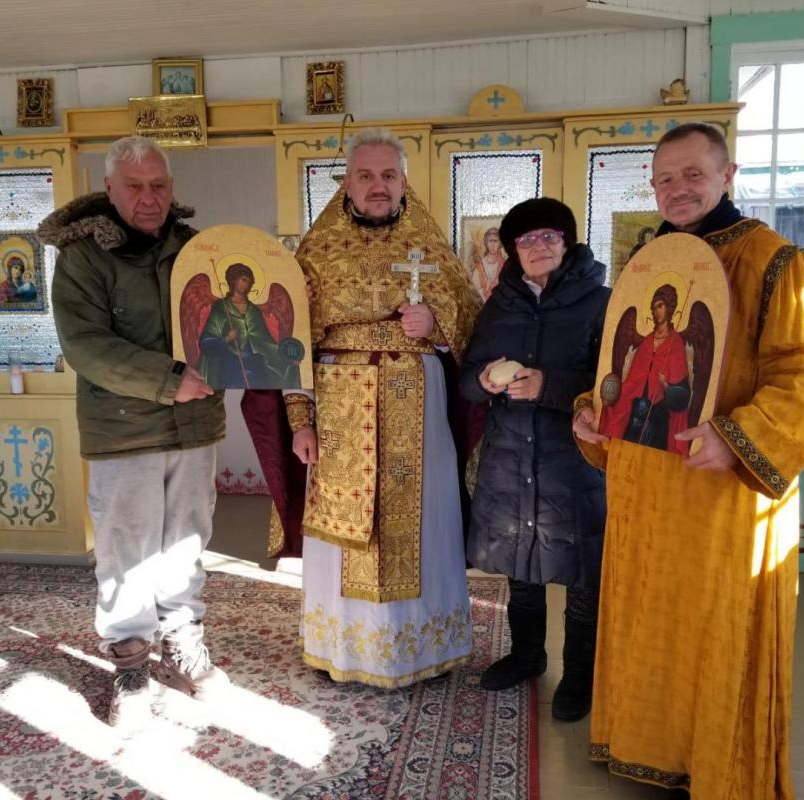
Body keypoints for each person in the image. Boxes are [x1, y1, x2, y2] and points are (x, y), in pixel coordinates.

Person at [573, 123, 804, 798]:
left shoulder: (774, 262)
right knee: (647, 617)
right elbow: (619, 363)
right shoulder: (650, 261)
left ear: (727, 175)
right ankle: (646, 745)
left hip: (720, 491)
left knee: (713, 626)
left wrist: (735, 436)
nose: (677, 188)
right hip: (644, 489)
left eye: (692, 174)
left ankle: (718, 765)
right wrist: (591, 410)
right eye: (664, 177)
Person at [256, 127, 480, 688]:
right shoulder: (315, 252)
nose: (377, 186)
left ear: (404, 181)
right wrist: (299, 423)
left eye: (387, 175)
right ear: (347, 183)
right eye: (365, 176)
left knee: (420, 522)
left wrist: (437, 326)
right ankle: (347, 650)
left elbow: (472, 320)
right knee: (342, 532)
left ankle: (419, 649)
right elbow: (293, 344)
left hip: (417, 406)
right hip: (338, 410)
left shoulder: (432, 247)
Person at [39, 135, 228, 733]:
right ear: (110, 190)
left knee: (187, 541)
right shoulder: (82, 258)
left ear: (172, 188)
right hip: (125, 429)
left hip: (194, 425)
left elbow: (226, 324)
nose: (149, 198)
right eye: (135, 187)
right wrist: (170, 380)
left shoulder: (196, 248)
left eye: (159, 186)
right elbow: (87, 347)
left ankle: (181, 644)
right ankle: (129, 665)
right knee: (127, 552)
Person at [460, 198, 609, 722]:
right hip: (510, 459)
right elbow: (466, 378)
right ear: (513, 251)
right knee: (520, 568)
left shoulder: (602, 303)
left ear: (567, 242)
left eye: (549, 236)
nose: (539, 246)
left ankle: (579, 676)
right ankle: (527, 656)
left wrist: (550, 387)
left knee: (581, 573)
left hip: (574, 462)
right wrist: (480, 382)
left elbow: (617, 387)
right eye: (527, 239)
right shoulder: (497, 305)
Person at [599, 283, 691, 455]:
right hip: (637, 408)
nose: (656, 311)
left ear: (670, 307)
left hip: (659, 411)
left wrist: (667, 387)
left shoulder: (675, 343)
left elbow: (683, 393)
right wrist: (613, 396)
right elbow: (633, 380)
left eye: (660, 306)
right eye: (653, 307)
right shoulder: (647, 342)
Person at [196, 262, 300, 389]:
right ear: (233, 280)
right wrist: (226, 339)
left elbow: (266, 342)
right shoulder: (221, 307)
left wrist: (287, 358)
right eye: (243, 280)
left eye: (249, 282)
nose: (247, 284)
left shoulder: (254, 311)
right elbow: (206, 341)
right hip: (230, 367)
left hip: (255, 367)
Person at [470, 226, 506, 301]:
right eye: (490, 241)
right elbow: (474, 289)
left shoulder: (504, 264)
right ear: (486, 243)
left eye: (495, 241)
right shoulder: (480, 265)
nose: (493, 245)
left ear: (500, 244)